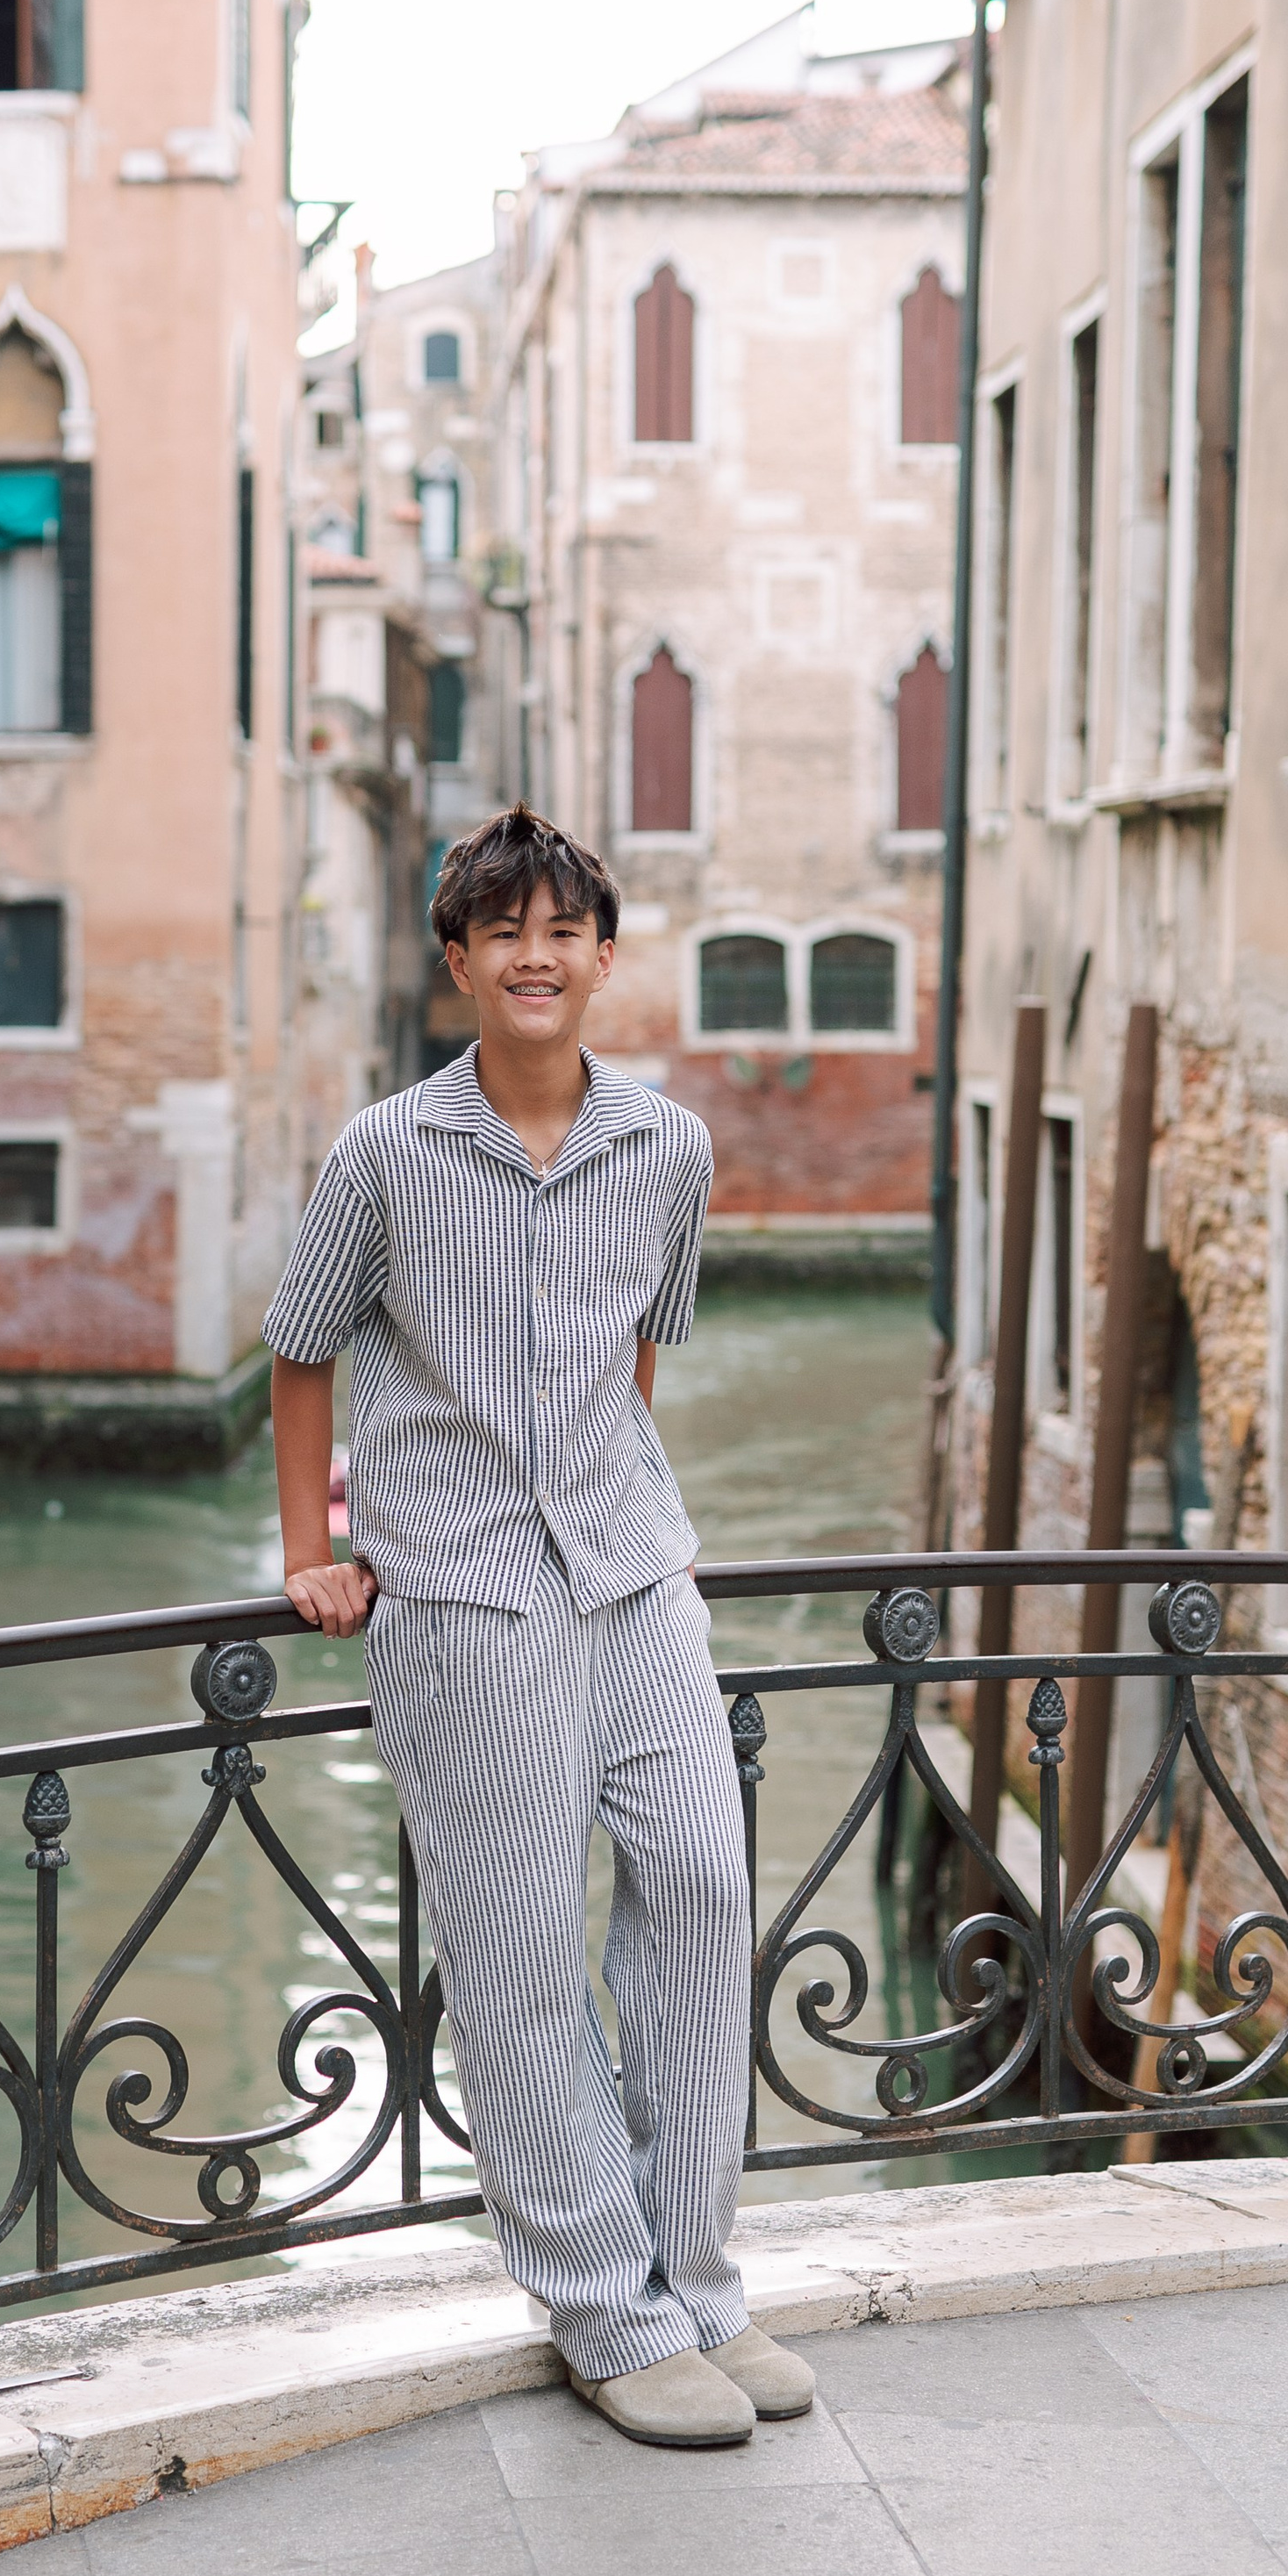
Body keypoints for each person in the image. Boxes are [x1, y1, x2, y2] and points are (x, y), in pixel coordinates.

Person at [263, 803, 811, 2448]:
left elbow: (642, 1349)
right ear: (457, 964)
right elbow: (303, 1348)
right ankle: (604, 2309)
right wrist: (316, 1548)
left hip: (634, 1566)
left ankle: (696, 2279)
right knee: (516, 1957)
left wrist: (606, 1484)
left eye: (562, 930)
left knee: (705, 1886)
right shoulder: (383, 1153)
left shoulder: (669, 1148)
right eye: (501, 932)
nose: (534, 957)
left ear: (602, 957)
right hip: (460, 1584)